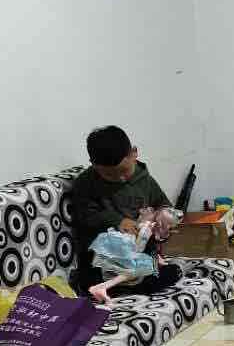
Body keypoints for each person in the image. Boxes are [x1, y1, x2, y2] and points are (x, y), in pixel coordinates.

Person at [68, 126, 181, 295]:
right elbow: (84, 216)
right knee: (91, 276)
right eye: (109, 176)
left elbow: (162, 204)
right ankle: (117, 284)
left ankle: (135, 281)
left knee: (161, 270)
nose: (120, 179)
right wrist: (117, 221)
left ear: (134, 153)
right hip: (103, 257)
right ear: (94, 165)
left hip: (139, 252)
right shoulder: (86, 183)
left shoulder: (144, 179)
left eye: (124, 172)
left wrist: (163, 216)